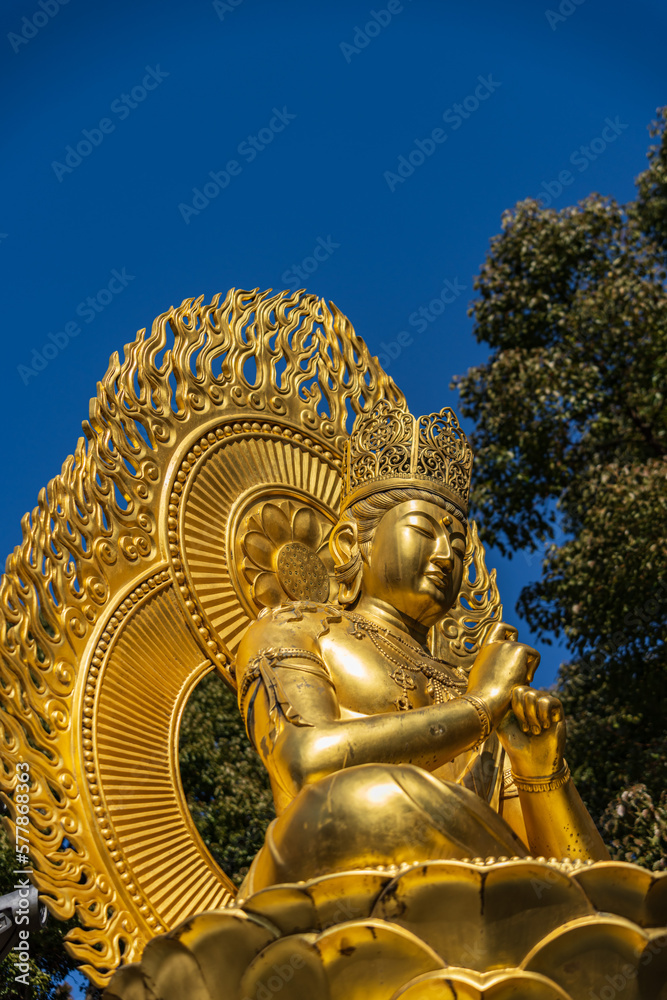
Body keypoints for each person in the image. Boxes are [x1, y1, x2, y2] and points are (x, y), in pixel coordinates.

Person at [234, 403, 609, 893]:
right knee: (369, 798)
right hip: (337, 867)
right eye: (423, 532)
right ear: (351, 544)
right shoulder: (295, 629)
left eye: (457, 547)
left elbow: (589, 879)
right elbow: (304, 763)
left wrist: (540, 767)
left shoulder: (467, 683)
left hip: (479, 906)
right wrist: (482, 708)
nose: (443, 556)